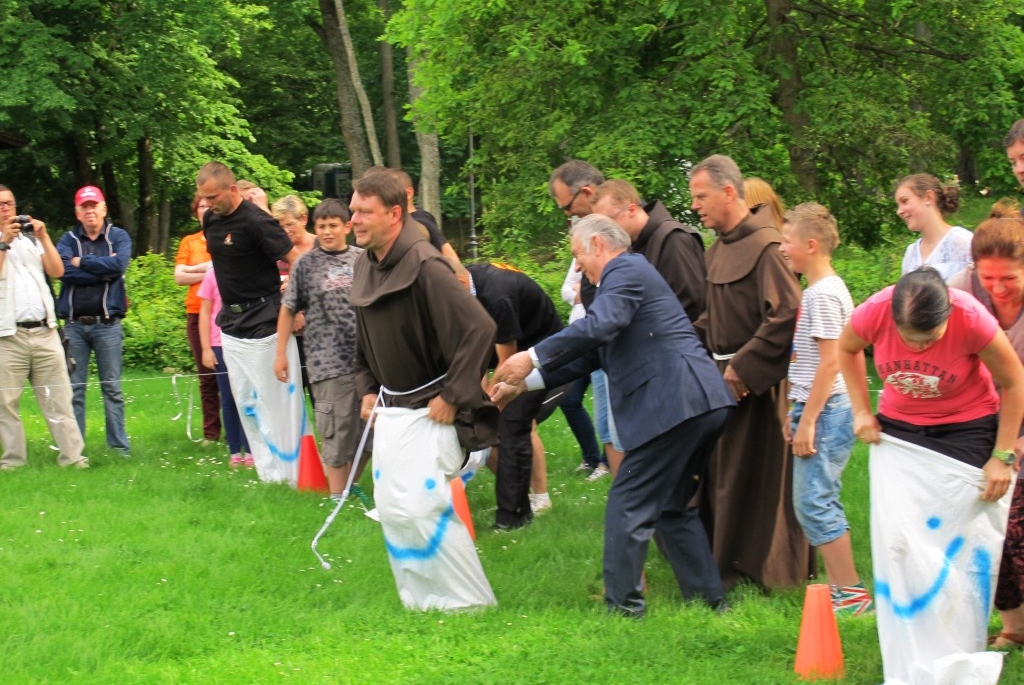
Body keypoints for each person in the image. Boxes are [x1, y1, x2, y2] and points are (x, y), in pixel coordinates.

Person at [489, 214, 735, 618]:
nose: (577, 265)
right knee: (671, 506)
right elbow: (593, 352)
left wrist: (529, 355)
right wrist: (526, 383)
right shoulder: (623, 281)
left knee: (628, 503)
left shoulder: (626, 270)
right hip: (700, 403)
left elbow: (602, 326)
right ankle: (709, 602)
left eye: (577, 254)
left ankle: (623, 608)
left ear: (599, 244)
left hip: (676, 405)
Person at [838, 267, 1024, 682]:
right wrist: (861, 410)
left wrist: (1003, 455)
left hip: (967, 428)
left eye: (930, 338)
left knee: (957, 546)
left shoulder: (972, 318)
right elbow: (846, 348)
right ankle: (911, 641)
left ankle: (956, 645)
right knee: (900, 544)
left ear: (948, 317)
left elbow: (1014, 382)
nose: (919, 347)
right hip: (901, 430)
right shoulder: (876, 312)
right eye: (909, 338)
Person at [349, 170, 498, 611]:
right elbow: (363, 334)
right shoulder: (365, 262)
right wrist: (366, 387)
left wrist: (453, 395)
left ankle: (469, 604)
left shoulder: (426, 264)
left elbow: (480, 328)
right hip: (390, 408)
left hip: (431, 410)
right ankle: (422, 601)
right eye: (353, 209)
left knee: (420, 507)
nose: (354, 218)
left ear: (394, 214)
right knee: (393, 509)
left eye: (364, 211)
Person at [689, 154, 811, 590]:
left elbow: (788, 313)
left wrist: (743, 368)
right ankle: (727, 561)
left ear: (728, 192)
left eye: (701, 197)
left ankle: (769, 568)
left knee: (759, 481)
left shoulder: (767, 245)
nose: (696, 206)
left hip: (758, 389)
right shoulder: (717, 248)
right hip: (721, 383)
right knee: (724, 475)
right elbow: (712, 317)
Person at [779, 202, 872, 616]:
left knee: (815, 501)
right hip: (818, 407)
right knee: (813, 501)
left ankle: (851, 597)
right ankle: (842, 594)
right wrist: (793, 410)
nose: (782, 249)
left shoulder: (821, 294)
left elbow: (832, 362)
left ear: (811, 245)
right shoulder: (822, 290)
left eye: (787, 241)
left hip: (829, 410)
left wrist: (808, 420)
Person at [195, 162, 301, 484]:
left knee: (274, 403)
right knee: (246, 404)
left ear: (232, 189)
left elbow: (297, 262)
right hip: (230, 322)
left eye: (213, 197)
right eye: (203, 198)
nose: (208, 204)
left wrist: (294, 306)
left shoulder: (258, 221)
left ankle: (293, 474)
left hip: (265, 319)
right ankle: (270, 478)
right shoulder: (211, 220)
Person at [948, 200, 1024, 648]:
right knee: (985, 524)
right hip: (978, 419)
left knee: (1018, 522)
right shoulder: (959, 291)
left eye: (1009, 279)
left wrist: (1013, 450)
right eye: (987, 277)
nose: (996, 288)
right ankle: (1012, 627)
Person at [453, 260, 564, 528]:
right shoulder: (464, 289)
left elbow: (507, 364)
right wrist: (479, 399)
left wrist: (491, 402)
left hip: (541, 350)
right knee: (491, 422)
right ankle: (516, 496)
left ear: (458, 285)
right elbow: (475, 351)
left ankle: (537, 498)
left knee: (518, 423)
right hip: (508, 350)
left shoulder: (496, 296)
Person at [274, 199, 369, 500]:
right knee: (336, 429)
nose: (328, 232)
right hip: (326, 362)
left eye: (334, 225)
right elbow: (288, 309)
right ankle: (336, 499)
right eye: (322, 226)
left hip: (366, 361)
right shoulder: (305, 263)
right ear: (315, 228)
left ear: (348, 227)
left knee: (370, 432)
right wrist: (280, 354)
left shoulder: (364, 260)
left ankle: (349, 486)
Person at [0, 185, 88, 470]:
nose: (5, 209)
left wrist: (44, 236)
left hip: (45, 331)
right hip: (7, 336)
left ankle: (73, 459)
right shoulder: (6, 240)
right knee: (5, 403)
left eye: (9, 203)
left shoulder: (28, 240)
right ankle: (13, 461)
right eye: (0, 205)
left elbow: (57, 271)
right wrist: (4, 241)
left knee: (59, 398)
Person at [548, 160, 625, 476]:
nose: (568, 216)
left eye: (568, 207)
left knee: (619, 430)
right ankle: (604, 467)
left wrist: (535, 358)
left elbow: (603, 323)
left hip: (630, 371)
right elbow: (574, 292)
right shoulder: (590, 250)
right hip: (597, 350)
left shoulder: (628, 265)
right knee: (606, 423)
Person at [55, 185, 132, 455]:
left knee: (112, 388)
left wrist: (80, 261)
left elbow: (119, 265)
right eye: (84, 207)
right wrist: (101, 269)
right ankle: (75, 449)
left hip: (108, 324)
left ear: (104, 209)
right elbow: (62, 271)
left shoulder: (118, 236)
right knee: (73, 390)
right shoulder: (66, 240)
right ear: (77, 212)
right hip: (74, 325)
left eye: (94, 205)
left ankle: (119, 448)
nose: (90, 211)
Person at [591, 178, 706, 322]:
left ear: (631, 209)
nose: (604, 232)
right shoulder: (631, 247)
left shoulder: (674, 239)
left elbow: (692, 305)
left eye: (607, 222)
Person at [174, 193, 220, 444]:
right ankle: (211, 434)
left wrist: (195, 270)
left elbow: (227, 269)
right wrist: (209, 270)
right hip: (196, 312)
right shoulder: (189, 242)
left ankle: (241, 431)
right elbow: (179, 277)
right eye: (201, 207)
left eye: (209, 206)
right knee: (207, 375)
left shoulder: (226, 238)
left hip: (223, 313)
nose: (206, 210)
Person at [197, 267, 251, 469]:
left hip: (246, 341)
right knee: (228, 398)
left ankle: (252, 450)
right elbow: (204, 311)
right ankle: (235, 453)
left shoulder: (249, 271)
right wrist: (206, 348)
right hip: (219, 343)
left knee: (248, 397)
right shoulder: (213, 274)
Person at [559, 257, 605, 478]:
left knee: (605, 402)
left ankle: (605, 463)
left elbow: (595, 292)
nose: (577, 266)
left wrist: (581, 292)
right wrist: (577, 293)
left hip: (599, 340)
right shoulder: (582, 256)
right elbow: (566, 290)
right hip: (578, 337)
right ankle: (591, 457)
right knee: (569, 400)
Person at [896, 173, 973, 281]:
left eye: (905, 201)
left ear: (928, 197)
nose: (899, 211)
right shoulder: (911, 253)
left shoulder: (963, 242)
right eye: (898, 205)